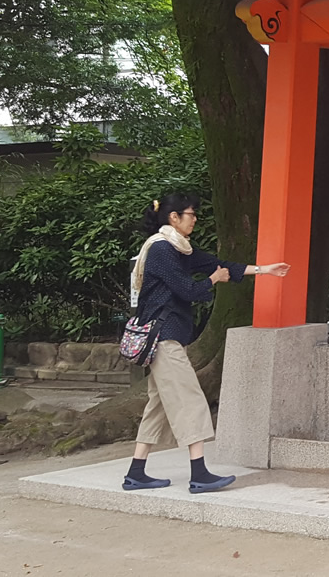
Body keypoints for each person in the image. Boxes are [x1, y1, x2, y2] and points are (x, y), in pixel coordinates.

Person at [123, 191, 290, 493]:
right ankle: (199, 474)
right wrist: (214, 280)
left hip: (166, 339)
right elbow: (188, 289)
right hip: (163, 339)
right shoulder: (162, 250)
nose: (195, 219)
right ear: (174, 217)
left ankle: (136, 473)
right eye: (191, 214)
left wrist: (265, 270)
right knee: (191, 401)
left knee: (159, 405)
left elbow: (217, 263)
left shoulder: (180, 249)